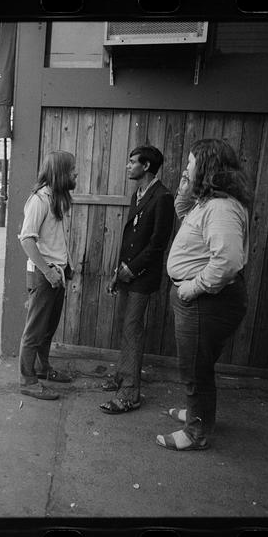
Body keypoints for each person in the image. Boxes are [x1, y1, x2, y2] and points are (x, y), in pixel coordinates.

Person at [158, 138, 252, 451]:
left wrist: (191, 287)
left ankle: (196, 433)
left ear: (208, 168)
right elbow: (183, 210)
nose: (184, 168)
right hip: (200, 300)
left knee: (195, 369)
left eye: (190, 164)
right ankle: (198, 416)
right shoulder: (207, 203)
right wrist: (186, 186)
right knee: (200, 365)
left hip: (205, 300)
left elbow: (227, 262)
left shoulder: (221, 207)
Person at [100, 145, 175, 414]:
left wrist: (132, 270)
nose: (128, 166)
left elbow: (158, 244)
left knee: (133, 328)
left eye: (132, 162)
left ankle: (130, 393)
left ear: (146, 166)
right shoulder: (139, 194)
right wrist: (118, 273)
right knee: (126, 326)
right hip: (127, 273)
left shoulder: (163, 197)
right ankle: (122, 376)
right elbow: (131, 239)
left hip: (142, 276)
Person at [17, 151, 77, 400]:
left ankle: (42, 369)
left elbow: (56, 238)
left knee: (47, 328)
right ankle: (27, 380)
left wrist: (67, 265)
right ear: (61, 172)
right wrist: (49, 272)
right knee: (34, 330)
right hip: (45, 275)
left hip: (56, 273)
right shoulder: (39, 200)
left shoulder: (57, 198)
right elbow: (27, 240)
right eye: (72, 169)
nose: (76, 174)